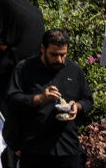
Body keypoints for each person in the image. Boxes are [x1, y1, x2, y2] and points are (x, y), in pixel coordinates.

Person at [5, 29, 94, 168]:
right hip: (35, 148)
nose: (59, 60)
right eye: (54, 54)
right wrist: (40, 98)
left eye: (63, 55)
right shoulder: (25, 68)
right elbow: (12, 99)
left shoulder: (74, 70)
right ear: (43, 48)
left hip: (67, 147)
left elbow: (88, 99)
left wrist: (78, 106)